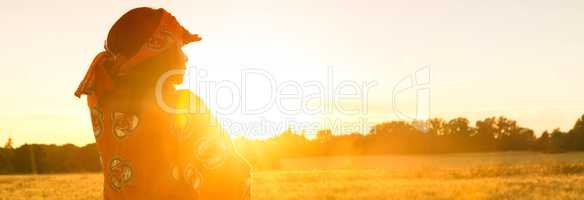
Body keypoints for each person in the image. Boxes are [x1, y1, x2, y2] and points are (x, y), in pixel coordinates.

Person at [75, 7, 251, 200]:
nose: (185, 57)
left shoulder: (100, 100)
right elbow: (223, 177)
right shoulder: (180, 105)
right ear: (153, 52)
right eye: (175, 48)